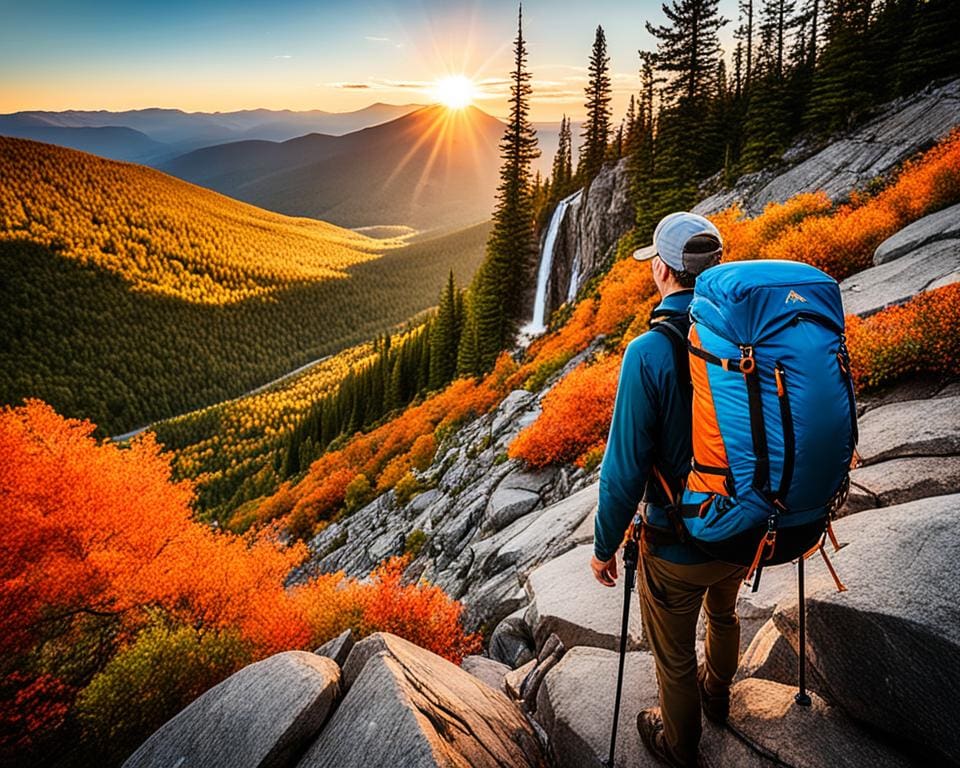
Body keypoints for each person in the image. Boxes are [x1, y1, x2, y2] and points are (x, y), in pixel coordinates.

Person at [590, 211, 744, 768]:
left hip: (677, 544)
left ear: (662, 270)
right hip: (742, 529)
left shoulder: (646, 353)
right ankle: (719, 693)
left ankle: (680, 746)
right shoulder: (744, 335)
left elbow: (624, 470)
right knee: (723, 617)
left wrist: (605, 546)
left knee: (673, 654)